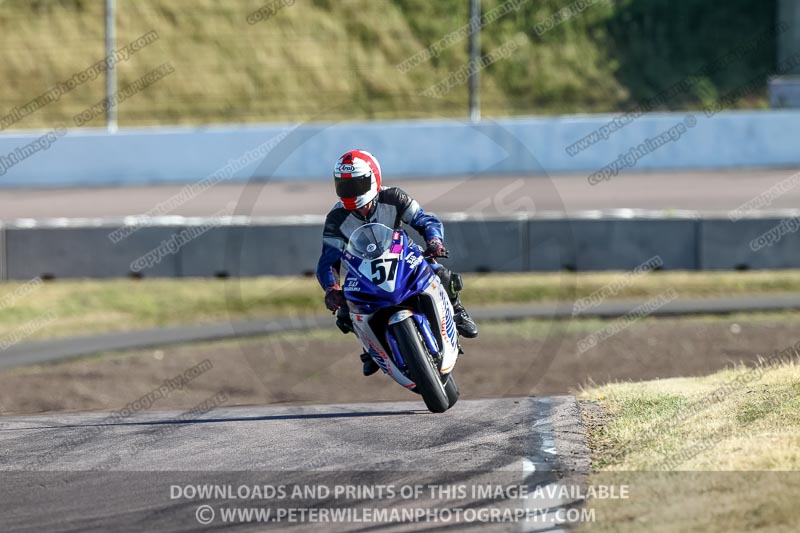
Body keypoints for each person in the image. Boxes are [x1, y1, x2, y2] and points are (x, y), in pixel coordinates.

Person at [316, 149, 478, 376]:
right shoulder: (335, 218)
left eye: (356, 185)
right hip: (364, 274)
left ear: (373, 178)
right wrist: (331, 288)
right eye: (344, 186)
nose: (351, 193)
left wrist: (434, 240)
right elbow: (327, 261)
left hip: (404, 259)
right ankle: (371, 348)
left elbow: (425, 220)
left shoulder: (394, 197)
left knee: (442, 274)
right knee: (346, 312)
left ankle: (457, 311)